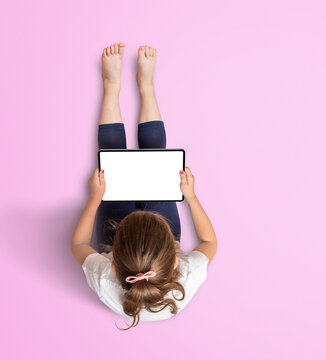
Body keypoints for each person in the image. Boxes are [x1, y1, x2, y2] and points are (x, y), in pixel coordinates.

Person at [70, 42, 218, 330]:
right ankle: (146, 87)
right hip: (143, 244)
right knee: (157, 164)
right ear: (176, 262)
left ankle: (112, 87)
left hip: (136, 242)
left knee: (112, 164)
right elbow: (210, 243)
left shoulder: (105, 279)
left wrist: (94, 199)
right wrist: (191, 196)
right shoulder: (186, 276)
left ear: (111, 265)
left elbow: (77, 244)